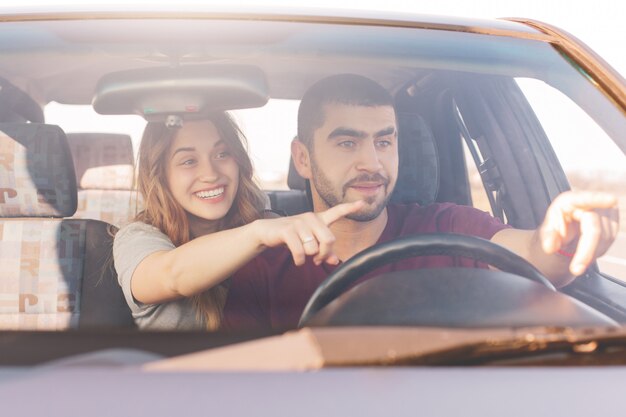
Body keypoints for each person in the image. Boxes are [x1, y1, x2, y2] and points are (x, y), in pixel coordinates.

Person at [221, 74, 619, 332]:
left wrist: (564, 241)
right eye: (347, 142)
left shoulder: (447, 229)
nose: (372, 163)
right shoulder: (263, 266)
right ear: (303, 158)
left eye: (384, 140)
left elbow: (535, 256)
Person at [113, 112, 363, 331]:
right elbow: (171, 275)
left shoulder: (272, 227)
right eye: (188, 161)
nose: (210, 174)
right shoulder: (137, 237)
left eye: (222, 154)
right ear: (160, 174)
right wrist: (256, 234)